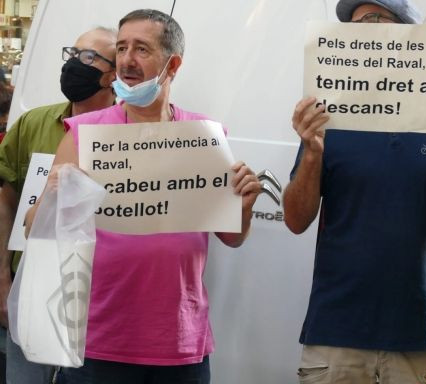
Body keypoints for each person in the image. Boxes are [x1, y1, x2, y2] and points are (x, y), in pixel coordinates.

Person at [25, 10, 261, 383]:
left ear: (173, 64)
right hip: (98, 341)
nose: (126, 60)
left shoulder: (204, 136)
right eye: (121, 48)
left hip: (181, 344)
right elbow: (32, 228)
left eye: (141, 49)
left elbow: (232, 237)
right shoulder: (85, 134)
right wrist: (55, 195)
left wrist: (244, 208)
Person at [283, 1, 426, 383]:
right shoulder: (330, 114)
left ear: (411, 36)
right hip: (337, 330)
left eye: (378, 19)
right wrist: (312, 152)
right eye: (358, 23)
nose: (367, 30)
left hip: (418, 334)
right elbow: (296, 220)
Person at [0, 27, 117, 384]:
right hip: (34, 283)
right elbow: (6, 201)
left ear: (113, 74)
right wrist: (2, 280)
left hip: (100, 296)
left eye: (87, 57)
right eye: (72, 53)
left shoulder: (125, 133)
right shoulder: (34, 122)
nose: (73, 64)